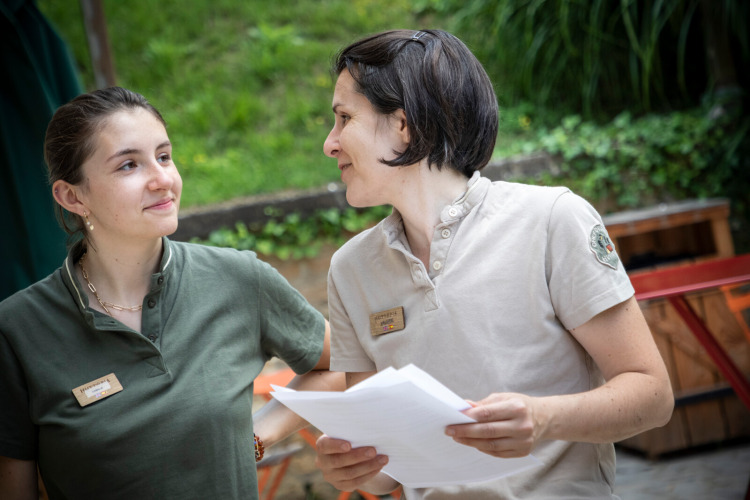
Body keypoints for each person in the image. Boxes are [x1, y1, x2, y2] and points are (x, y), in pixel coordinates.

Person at [314, 29, 674, 499]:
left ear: (403, 125)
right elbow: (387, 470)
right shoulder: (350, 270)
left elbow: (652, 395)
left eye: (344, 119)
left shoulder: (552, 220)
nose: (330, 143)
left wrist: (545, 419)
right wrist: (354, 466)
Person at [0, 86, 342, 500]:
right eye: (129, 165)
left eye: (164, 156)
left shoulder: (239, 279)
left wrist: (255, 434)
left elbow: (344, 364)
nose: (163, 179)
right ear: (73, 196)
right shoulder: (17, 330)